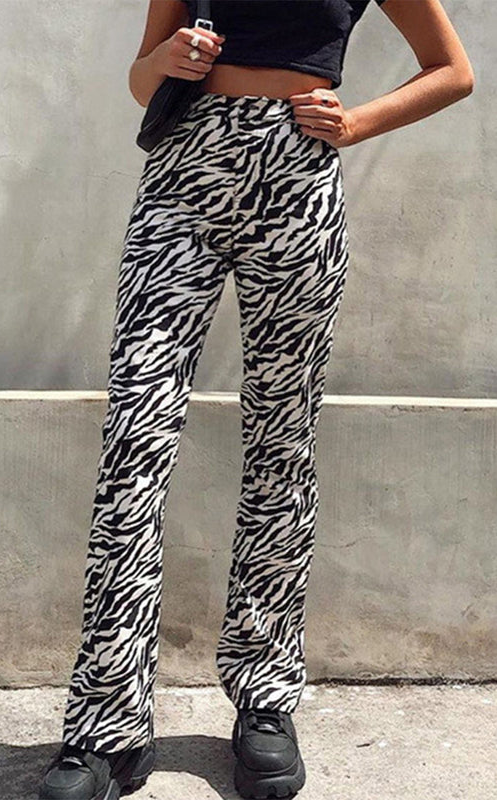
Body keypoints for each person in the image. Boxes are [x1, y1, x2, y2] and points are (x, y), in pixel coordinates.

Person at [38, 1, 474, 798]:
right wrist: (165, 61)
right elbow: (142, 78)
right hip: (181, 181)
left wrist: (357, 122)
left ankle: (265, 697)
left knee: (282, 444)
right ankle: (106, 722)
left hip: (296, 186)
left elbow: (452, 71)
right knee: (133, 442)